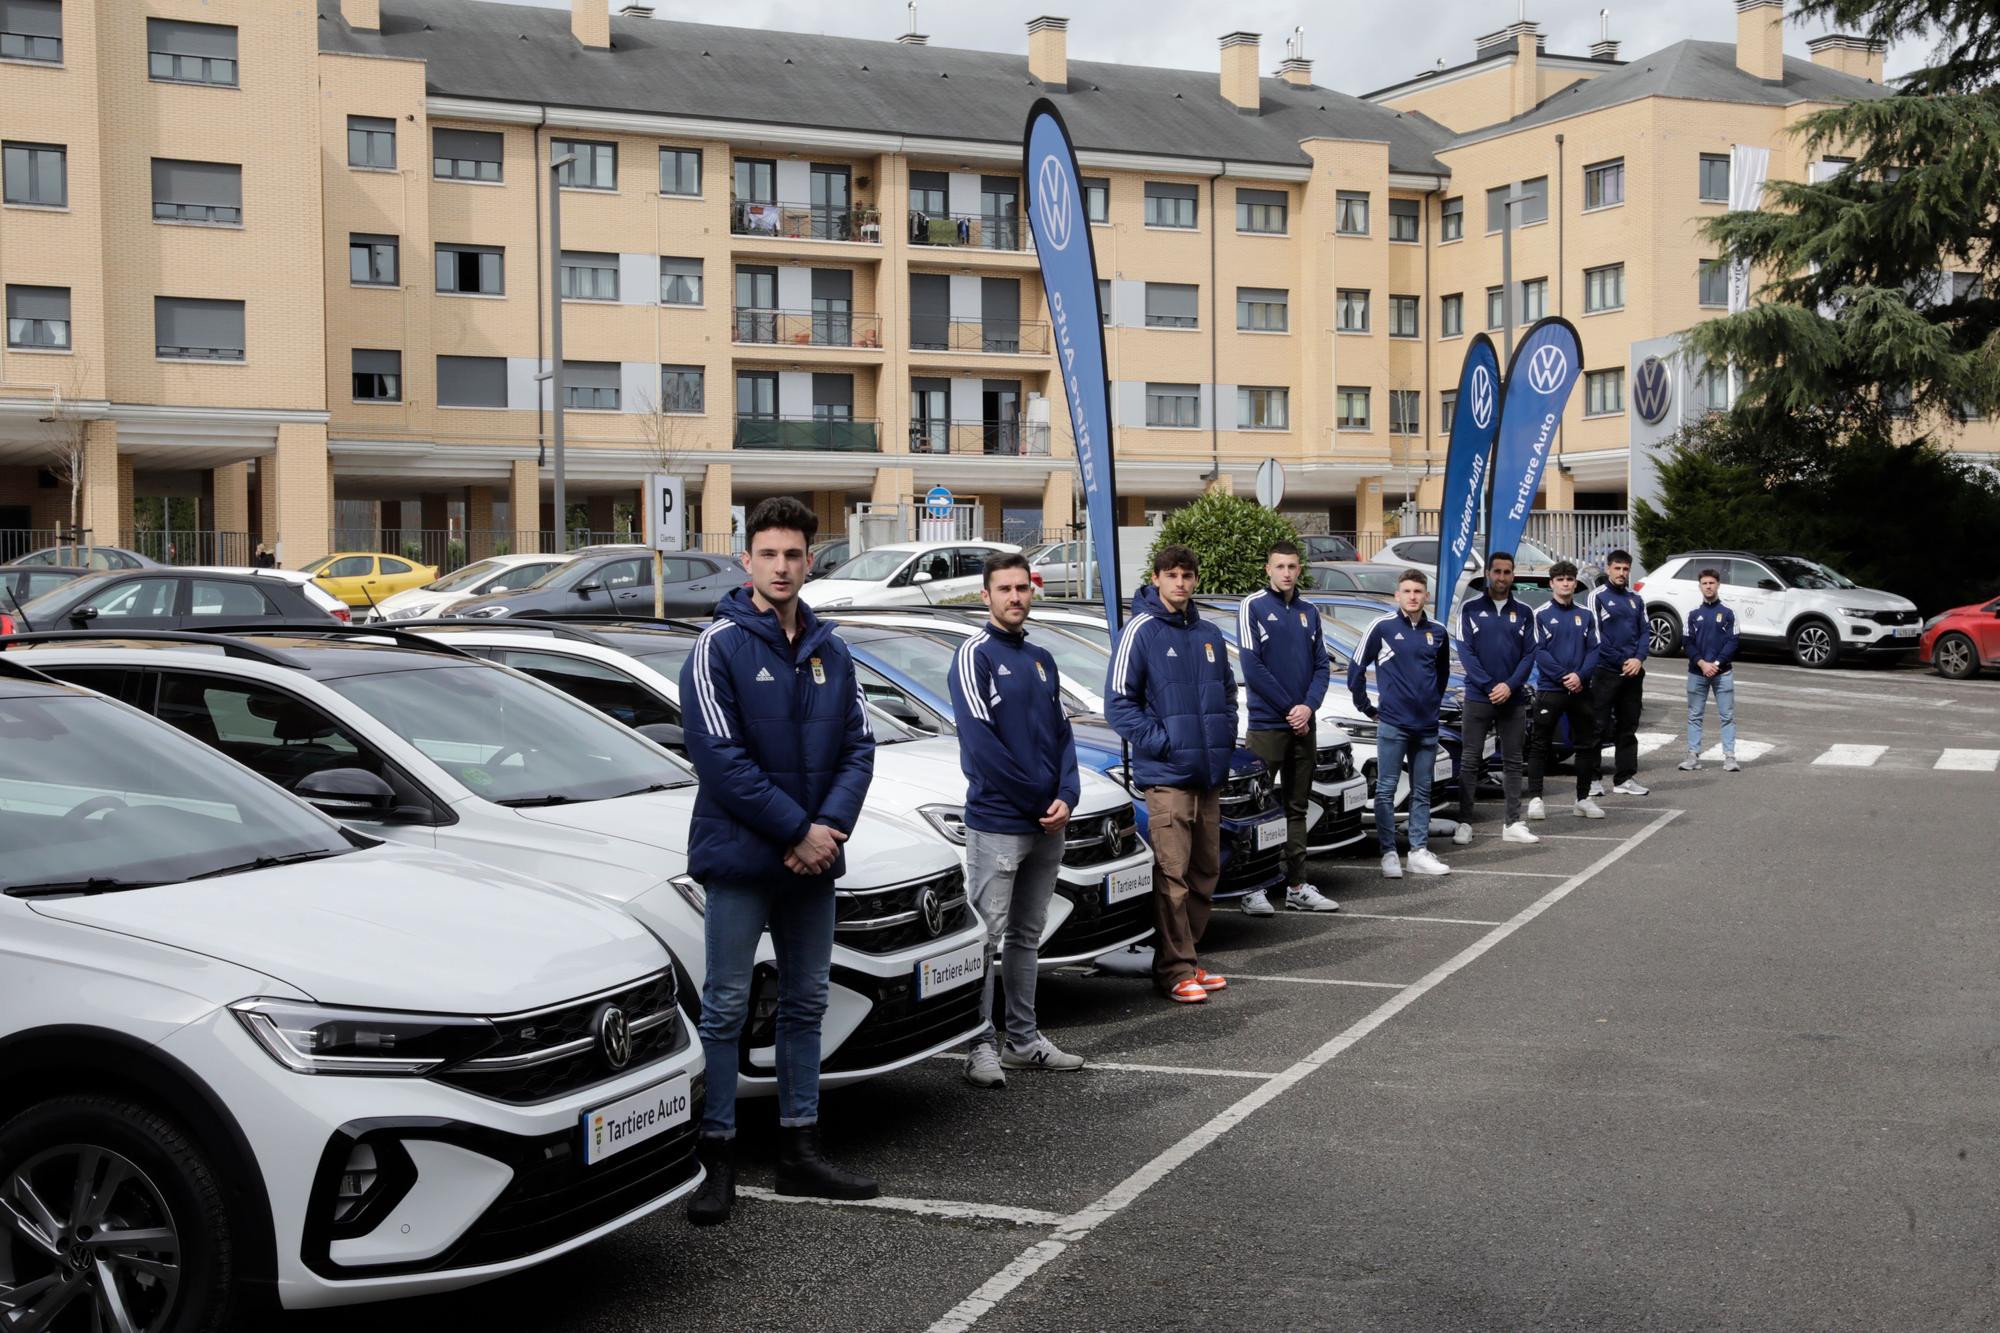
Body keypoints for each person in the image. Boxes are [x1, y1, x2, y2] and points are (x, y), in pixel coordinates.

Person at [678, 496, 878, 1226]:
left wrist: (829, 826)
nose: (783, 566)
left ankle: (800, 1150)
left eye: (795, 554)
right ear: (747, 560)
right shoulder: (717, 647)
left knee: (806, 1002)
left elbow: (858, 746)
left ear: (809, 560)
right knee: (727, 1005)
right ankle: (717, 1155)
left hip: (813, 858)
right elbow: (721, 761)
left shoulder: (832, 649)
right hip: (741, 859)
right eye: (769, 554)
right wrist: (800, 830)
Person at [948, 552, 1086, 1088]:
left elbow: (1062, 736)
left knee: (1027, 936)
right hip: (1000, 822)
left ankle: (1023, 1042)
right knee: (986, 937)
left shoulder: (1041, 659)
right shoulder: (974, 655)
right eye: (1003, 589)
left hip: (1049, 821)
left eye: (1022, 588)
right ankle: (979, 1045)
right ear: (986, 596)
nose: (1015, 597)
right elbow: (982, 746)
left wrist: (1067, 796)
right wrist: (1038, 801)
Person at [1105, 544, 1238, 1005]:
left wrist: (1223, 740)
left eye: (1187, 575)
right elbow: (1119, 705)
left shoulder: (1208, 633)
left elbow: (1227, 694)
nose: (1180, 582)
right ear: (1157, 578)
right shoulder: (1139, 631)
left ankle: (1188, 958)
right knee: (1173, 876)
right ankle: (1175, 969)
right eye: (1172, 575)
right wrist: (1167, 744)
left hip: (1208, 776)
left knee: (1206, 872)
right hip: (1167, 778)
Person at [1235, 541, 1339, 915]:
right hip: (1267, 726)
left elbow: (1322, 666)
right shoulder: (1253, 607)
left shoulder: (1309, 612)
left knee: (1296, 807)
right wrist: (1289, 709)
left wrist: (1307, 707)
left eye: (1292, 566)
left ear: (1299, 569)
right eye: (1279, 566)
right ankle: (1251, 888)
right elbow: (1252, 668)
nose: (1286, 573)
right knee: (1256, 810)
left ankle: (1297, 885)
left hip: (1302, 726)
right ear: (1268, 569)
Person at [1349, 570, 1452, 879]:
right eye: (1407, 591)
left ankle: (1418, 851)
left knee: (1423, 790)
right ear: (1397, 595)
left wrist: (1432, 703)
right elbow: (1356, 669)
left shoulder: (1438, 631)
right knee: (1386, 791)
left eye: (1418, 591)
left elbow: (1442, 673)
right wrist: (1367, 708)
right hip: (1393, 724)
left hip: (1427, 726)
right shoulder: (1380, 627)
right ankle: (1389, 852)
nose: (1412, 596)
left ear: (1426, 596)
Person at [1453, 551, 1539, 846]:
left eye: (1507, 572)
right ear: (1488, 573)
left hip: (1512, 698)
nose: (1502, 577)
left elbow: (1530, 654)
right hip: (1479, 697)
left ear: (1513, 575)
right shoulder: (1469, 609)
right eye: (1497, 571)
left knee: (1514, 762)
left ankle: (1512, 822)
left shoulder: (1525, 612)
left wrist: (1510, 686)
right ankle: (1464, 821)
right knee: (1470, 760)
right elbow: (1466, 653)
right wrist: (1491, 686)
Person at [1525, 561, 1604, 820]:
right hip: (1551, 688)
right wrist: (1563, 677)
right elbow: (1539, 650)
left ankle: (1582, 799)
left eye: (1569, 579)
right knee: (1540, 745)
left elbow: (1594, 649)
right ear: (1552, 584)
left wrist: (1580, 676)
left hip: (1581, 689)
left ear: (1574, 583)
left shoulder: (1586, 614)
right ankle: (1536, 798)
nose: (1566, 583)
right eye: (1560, 579)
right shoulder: (1541, 614)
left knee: (1586, 745)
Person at [1586, 549, 1650, 798]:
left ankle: (1624, 778)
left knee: (1628, 727)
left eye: (1625, 569)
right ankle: (1592, 779)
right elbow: (1596, 637)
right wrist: (1623, 660)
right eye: (1617, 568)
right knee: (1597, 727)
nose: (1622, 573)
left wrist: (1638, 658)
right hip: (1605, 672)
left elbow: (1645, 631)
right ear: (1608, 568)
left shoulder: (1636, 599)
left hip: (1633, 673)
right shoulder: (1597, 597)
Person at [1682, 568, 1741, 772]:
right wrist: (1701, 664)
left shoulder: (1728, 613)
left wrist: (1715, 664)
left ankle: (1730, 757)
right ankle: (1692, 757)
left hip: (1722, 673)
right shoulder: (1693, 614)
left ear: (1718, 585)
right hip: (1697, 672)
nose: (1708, 586)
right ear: (1700, 586)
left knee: (1727, 715)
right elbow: (1687, 643)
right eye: (1705, 583)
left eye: (1712, 583)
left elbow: (1733, 642)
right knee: (1694, 715)